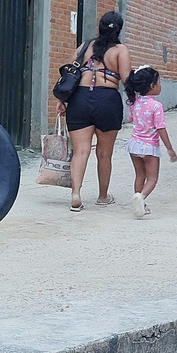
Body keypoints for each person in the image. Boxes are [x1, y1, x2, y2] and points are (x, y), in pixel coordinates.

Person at [57, 11, 132, 212]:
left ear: (99, 27)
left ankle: (75, 194)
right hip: (107, 100)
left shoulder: (84, 47)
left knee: (80, 151)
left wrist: (63, 101)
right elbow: (127, 80)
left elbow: (68, 73)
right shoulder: (120, 50)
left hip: (79, 99)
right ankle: (103, 196)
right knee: (104, 153)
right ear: (119, 29)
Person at [123, 66, 177, 218]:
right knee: (152, 178)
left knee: (139, 176)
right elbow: (161, 128)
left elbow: (131, 119)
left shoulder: (133, 103)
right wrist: (169, 148)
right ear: (152, 86)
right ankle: (141, 198)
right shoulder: (156, 106)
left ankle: (139, 202)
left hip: (134, 146)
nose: (160, 85)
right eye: (159, 82)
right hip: (149, 148)